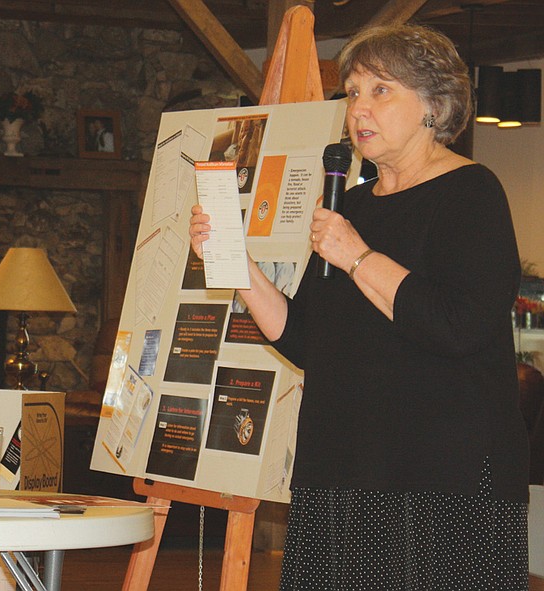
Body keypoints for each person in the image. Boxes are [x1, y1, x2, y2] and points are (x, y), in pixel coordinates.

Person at [190, 24, 529, 589]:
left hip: (442, 484)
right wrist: (235, 262)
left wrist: (357, 255)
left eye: (381, 90)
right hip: (343, 473)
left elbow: (459, 325)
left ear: (434, 105)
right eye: (351, 92)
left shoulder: (472, 192)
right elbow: (306, 339)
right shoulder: (352, 205)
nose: (358, 109)